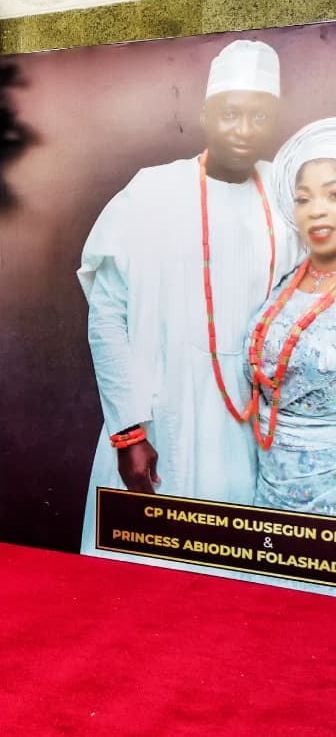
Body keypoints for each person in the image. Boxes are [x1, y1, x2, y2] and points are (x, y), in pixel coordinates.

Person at [77, 39, 301, 540]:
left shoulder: (289, 200)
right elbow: (107, 317)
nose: (244, 131)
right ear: (204, 114)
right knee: (149, 580)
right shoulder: (152, 192)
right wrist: (128, 430)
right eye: (230, 113)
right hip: (161, 418)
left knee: (240, 580)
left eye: (260, 117)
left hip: (253, 425)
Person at [245, 118, 336, 516]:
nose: (317, 211)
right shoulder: (283, 281)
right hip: (268, 485)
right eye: (304, 199)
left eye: (334, 195)